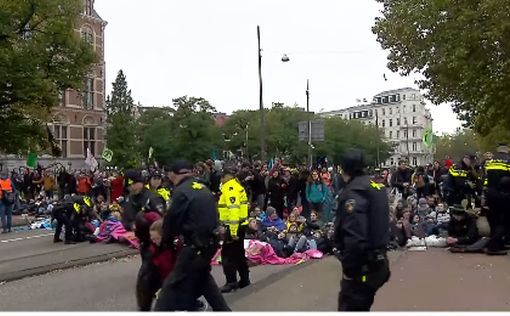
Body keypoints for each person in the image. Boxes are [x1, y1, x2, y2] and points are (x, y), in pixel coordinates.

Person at [154, 160, 230, 311]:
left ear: (173, 174)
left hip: (195, 245)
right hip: (210, 243)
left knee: (171, 285)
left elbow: (172, 220)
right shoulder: (203, 187)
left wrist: (165, 242)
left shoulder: (181, 191)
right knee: (204, 281)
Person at [333, 149, 391, 311]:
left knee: (351, 306)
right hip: (378, 260)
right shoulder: (375, 186)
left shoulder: (354, 191)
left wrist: (349, 269)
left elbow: (356, 235)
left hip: (363, 266)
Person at [123, 170, 166, 311]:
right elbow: (126, 219)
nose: (132, 187)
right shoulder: (129, 199)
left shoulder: (153, 198)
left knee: (148, 276)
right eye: (130, 185)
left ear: (141, 182)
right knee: (153, 273)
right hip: (143, 242)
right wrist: (131, 225)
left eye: (135, 184)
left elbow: (162, 220)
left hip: (156, 242)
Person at [217, 169, 251, 293]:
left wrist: (232, 231)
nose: (220, 179)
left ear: (227, 176)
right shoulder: (235, 186)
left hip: (233, 226)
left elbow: (233, 210)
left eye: (222, 177)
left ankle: (231, 282)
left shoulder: (230, 188)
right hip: (239, 225)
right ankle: (244, 279)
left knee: (227, 255)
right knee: (238, 254)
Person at [484, 143, 510, 255]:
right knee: (503, 222)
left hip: (490, 195)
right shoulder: (508, 160)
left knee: (493, 220)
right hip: (504, 195)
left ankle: (499, 244)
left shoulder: (491, 161)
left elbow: (486, 179)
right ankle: (494, 247)